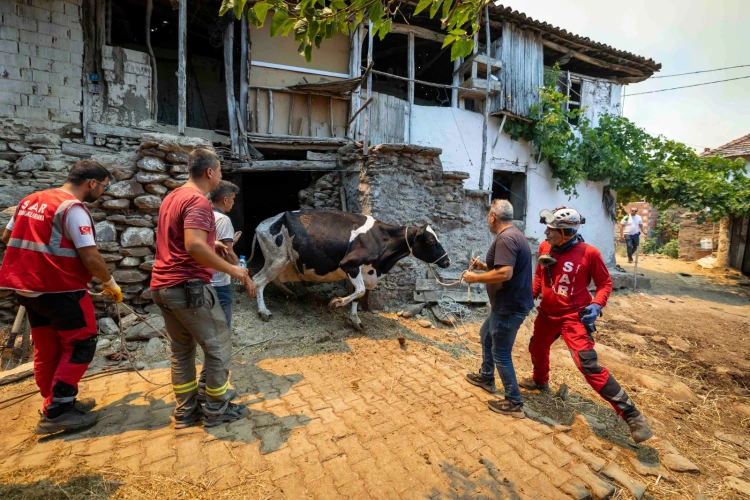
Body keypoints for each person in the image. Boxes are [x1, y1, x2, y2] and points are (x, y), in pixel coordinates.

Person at [0, 160, 122, 435]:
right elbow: (90, 256)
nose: (102, 192)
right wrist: (110, 283)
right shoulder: (72, 209)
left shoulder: (30, 200)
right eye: (104, 187)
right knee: (82, 344)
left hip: (27, 289)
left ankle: (54, 401)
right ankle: (58, 411)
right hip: (60, 290)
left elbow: (7, 237)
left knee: (47, 347)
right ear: (92, 183)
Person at [521, 206, 653, 443]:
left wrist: (597, 304)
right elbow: (540, 276)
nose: (546, 233)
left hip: (574, 317)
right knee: (536, 347)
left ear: (566, 232)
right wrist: (528, 297)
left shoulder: (589, 254)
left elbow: (605, 284)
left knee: (588, 365)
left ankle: (633, 416)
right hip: (547, 314)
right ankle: (540, 381)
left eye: (551, 230)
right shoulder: (544, 247)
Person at [150, 148, 256, 429]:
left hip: (163, 285)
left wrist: (212, 243)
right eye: (220, 171)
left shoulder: (172, 197)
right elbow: (194, 246)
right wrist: (234, 270)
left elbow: (182, 239)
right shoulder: (197, 201)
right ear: (210, 172)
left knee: (181, 351)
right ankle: (217, 409)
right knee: (218, 345)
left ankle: (186, 411)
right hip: (189, 287)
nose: (220, 175)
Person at [462, 199, 534, 419]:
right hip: (507, 304)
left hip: (509, 306)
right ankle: (486, 377)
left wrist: (474, 278)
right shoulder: (515, 235)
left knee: (501, 353)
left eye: (488, 216)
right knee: (486, 335)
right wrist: (483, 267)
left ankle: (514, 402)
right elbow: (504, 267)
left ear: (493, 217)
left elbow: (505, 273)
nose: (488, 220)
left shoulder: (505, 239)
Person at [208, 180, 240, 330]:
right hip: (219, 282)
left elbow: (209, 245)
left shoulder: (203, 215)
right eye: (233, 199)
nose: (233, 203)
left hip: (203, 281)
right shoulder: (224, 220)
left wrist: (230, 242)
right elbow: (228, 255)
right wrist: (241, 269)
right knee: (222, 326)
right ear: (225, 200)